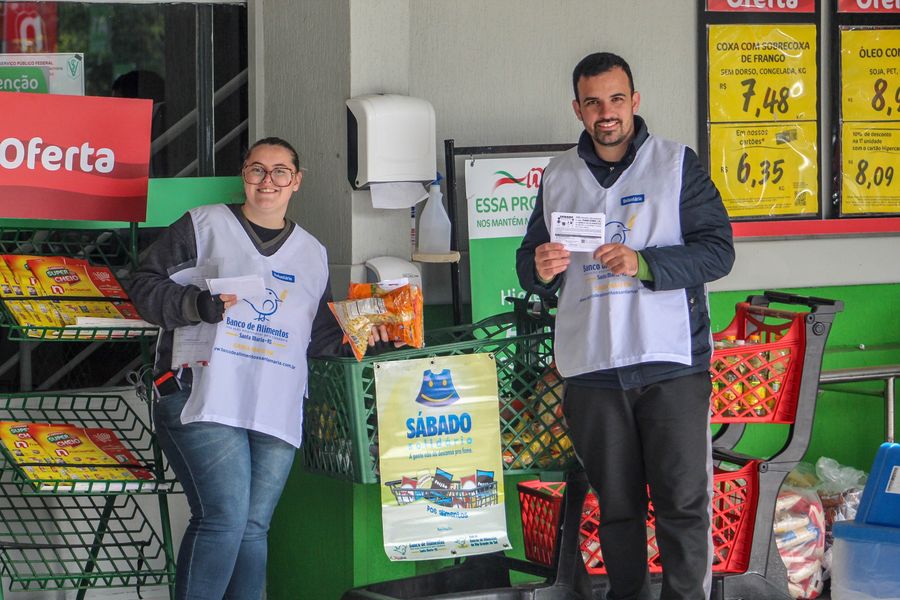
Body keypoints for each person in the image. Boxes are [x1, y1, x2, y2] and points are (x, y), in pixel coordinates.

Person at [130, 137, 393, 599]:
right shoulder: (203, 225)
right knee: (224, 519)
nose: (267, 181)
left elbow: (316, 337)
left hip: (274, 404)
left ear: (297, 181)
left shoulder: (311, 252)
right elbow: (143, 286)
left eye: (279, 172)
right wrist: (195, 304)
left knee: (253, 527)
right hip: (202, 393)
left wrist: (363, 337)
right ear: (243, 176)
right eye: (256, 170)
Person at [517, 53, 735, 600]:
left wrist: (645, 265)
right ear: (578, 108)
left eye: (616, 99)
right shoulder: (559, 173)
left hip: (670, 362)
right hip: (591, 366)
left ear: (634, 101)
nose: (606, 112)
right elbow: (530, 262)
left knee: (683, 504)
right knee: (617, 508)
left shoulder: (675, 163)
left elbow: (717, 252)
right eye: (593, 102)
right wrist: (539, 270)